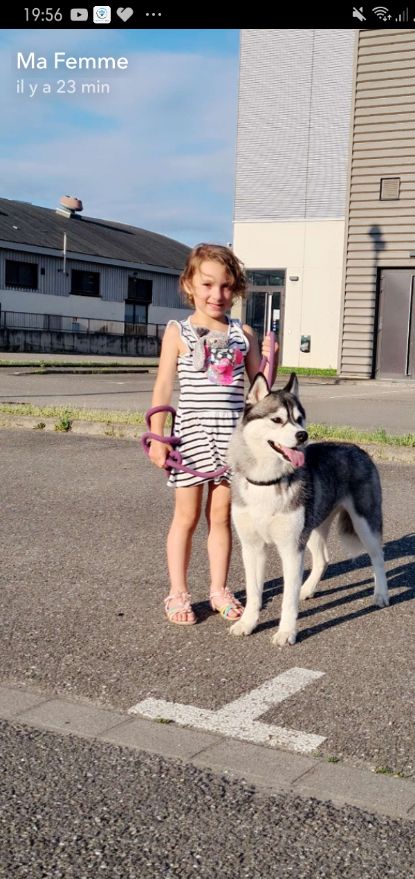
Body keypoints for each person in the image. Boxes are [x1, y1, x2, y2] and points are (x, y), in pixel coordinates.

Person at [147, 243, 278, 624]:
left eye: (225, 286)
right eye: (207, 284)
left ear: (235, 289)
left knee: (220, 519)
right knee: (186, 518)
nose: (216, 294)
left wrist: (272, 355)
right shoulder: (178, 332)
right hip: (190, 440)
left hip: (232, 443)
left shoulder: (243, 333)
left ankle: (219, 589)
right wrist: (157, 437)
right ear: (189, 284)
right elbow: (163, 387)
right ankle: (177, 592)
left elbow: (261, 390)